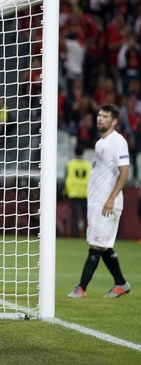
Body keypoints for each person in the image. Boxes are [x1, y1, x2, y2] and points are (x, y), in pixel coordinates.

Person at [68, 104, 131, 299]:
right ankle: (120, 283)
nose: (100, 119)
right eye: (99, 115)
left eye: (105, 116)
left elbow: (125, 172)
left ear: (114, 121)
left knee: (96, 245)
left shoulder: (118, 141)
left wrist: (111, 199)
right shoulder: (99, 143)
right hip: (96, 203)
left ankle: (81, 288)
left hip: (107, 203)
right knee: (102, 245)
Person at [62, 145, 91, 238]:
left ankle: (75, 234)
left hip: (73, 192)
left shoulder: (70, 163)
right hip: (85, 192)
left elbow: (66, 177)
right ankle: (88, 234)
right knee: (86, 215)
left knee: (74, 215)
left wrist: (64, 191)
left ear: (74, 153)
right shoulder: (88, 164)